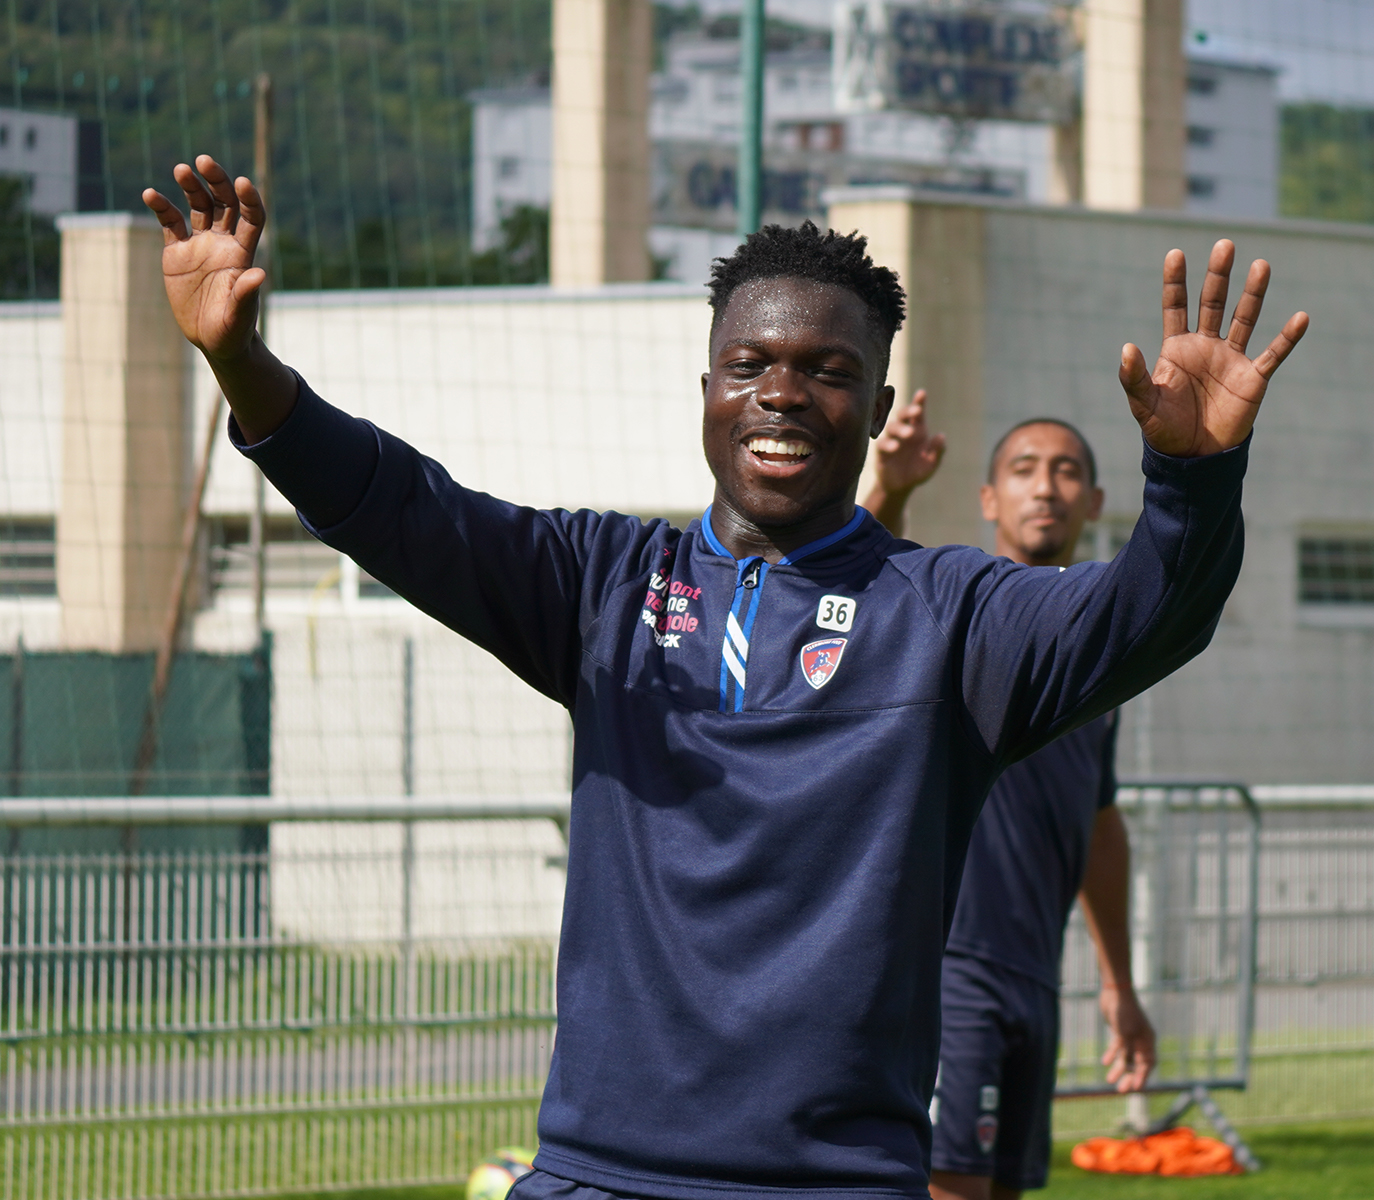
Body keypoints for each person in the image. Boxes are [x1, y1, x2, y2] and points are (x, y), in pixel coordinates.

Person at [141, 156, 1307, 1200]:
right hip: (598, 1172)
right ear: (706, 392)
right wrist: (243, 364)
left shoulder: (953, 617)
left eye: (827, 369)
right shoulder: (598, 584)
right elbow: (400, 507)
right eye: (749, 364)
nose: (783, 392)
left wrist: (1190, 486)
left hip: (833, 1183)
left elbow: (1144, 619)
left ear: (880, 408)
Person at [866, 399, 1153, 1200]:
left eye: (1066, 471)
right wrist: (888, 492)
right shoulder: (959, 617)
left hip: (1033, 976)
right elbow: (853, 597)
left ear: (1096, 502)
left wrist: (1119, 984)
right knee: (950, 1187)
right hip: (954, 967)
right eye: (1023, 470)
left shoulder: (1097, 664)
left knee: (1002, 1190)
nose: (1046, 487)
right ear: (989, 499)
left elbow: (1099, 831)